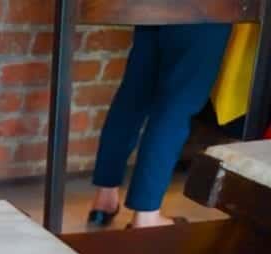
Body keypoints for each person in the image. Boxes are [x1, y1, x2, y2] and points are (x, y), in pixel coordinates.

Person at [88, 23, 232, 229]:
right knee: (176, 108)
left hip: (152, 7)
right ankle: (146, 216)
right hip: (203, 11)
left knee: (133, 97)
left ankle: (103, 199)